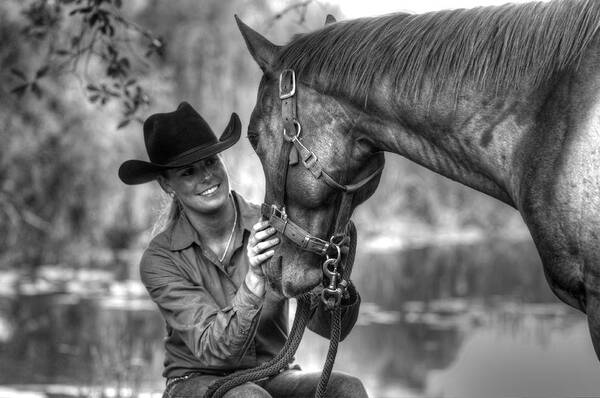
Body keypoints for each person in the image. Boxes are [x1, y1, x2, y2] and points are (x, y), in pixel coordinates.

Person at [118, 102, 368, 398]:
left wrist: (333, 279)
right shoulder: (160, 260)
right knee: (247, 397)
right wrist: (254, 282)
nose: (207, 176)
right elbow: (215, 351)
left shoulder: (278, 227)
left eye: (211, 162)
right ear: (166, 185)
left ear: (222, 159)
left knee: (346, 389)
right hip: (195, 381)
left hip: (273, 374)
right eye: (188, 172)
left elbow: (327, 327)